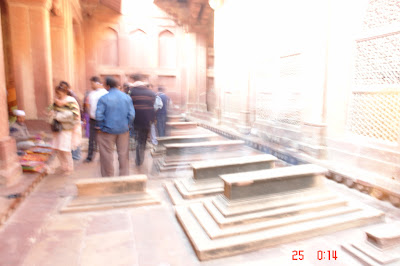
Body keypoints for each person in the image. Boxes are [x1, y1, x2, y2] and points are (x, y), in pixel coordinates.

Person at [96, 76, 135, 177]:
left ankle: (108, 177)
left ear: (108, 86)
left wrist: (100, 126)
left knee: (106, 155)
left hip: (107, 130)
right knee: (123, 154)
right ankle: (124, 175)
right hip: (123, 130)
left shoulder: (103, 98)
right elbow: (132, 115)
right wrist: (128, 125)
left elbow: (99, 115)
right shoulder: (127, 97)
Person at [49, 85, 81, 175]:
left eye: (59, 93)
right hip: (58, 128)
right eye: (57, 93)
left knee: (65, 149)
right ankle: (64, 166)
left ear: (64, 92)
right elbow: (50, 109)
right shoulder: (56, 101)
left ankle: (70, 168)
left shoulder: (71, 101)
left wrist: (57, 115)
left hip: (67, 129)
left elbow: (74, 115)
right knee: (59, 149)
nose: (58, 95)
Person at [129, 74, 155, 166]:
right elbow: (153, 108)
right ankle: (141, 157)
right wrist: (152, 120)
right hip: (146, 121)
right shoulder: (151, 93)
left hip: (135, 120)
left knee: (137, 139)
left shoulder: (131, 92)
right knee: (143, 140)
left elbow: (129, 107)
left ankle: (138, 159)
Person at [84, 76, 108, 163]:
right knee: (92, 139)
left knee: (102, 139)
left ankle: (103, 157)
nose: (91, 85)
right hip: (92, 119)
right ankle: (90, 156)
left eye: (92, 83)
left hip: (102, 120)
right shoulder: (91, 94)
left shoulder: (105, 93)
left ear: (97, 83)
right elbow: (88, 105)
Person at [59, 81, 82, 161]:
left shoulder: (70, 98)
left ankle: (75, 155)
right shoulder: (64, 98)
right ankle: (73, 155)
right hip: (68, 122)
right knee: (71, 138)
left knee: (75, 138)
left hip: (73, 122)